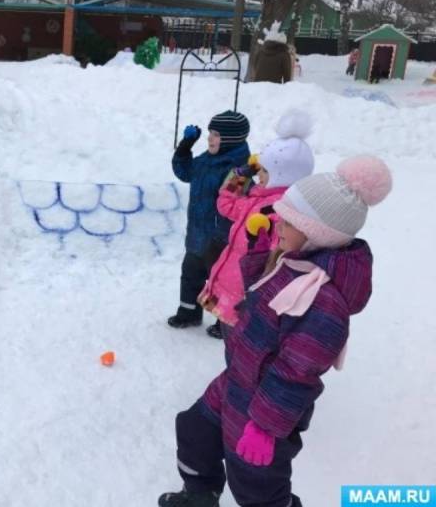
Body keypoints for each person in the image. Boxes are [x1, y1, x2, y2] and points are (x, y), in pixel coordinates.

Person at [158, 155, 392, 507]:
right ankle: (200, 496)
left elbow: (297, 373)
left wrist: (265, 427)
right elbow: (258, 302)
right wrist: (258, 249)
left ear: (316, 234)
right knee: (194, 431)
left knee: (257, 488)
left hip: (263, 410)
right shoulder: (292, 262)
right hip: (236, 383)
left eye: (288, 220)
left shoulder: (323, 301)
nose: (277, 221)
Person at [199, 110, 314, 339]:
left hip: (247, 295)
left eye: (263, 170)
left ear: (281, 174)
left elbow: (276, 260)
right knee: (232, 343)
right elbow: (226, 205)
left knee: (243, 348)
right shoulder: (256, 200)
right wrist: (242, 174)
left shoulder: (279, 211)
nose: (258, 174)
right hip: (231, 285)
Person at [168, 111, 251, 331]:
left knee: (220, 282)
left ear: (231, 139)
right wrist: (186, 145)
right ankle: (188, 312)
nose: (210, 138)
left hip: (221, 239)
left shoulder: (241, 169)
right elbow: (184, 172)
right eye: (210, 133)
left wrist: (223, 233)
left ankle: (222, 322)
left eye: (216, 134)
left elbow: (233, 205)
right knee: (190, 276)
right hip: (196, 233)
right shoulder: (206, 160)